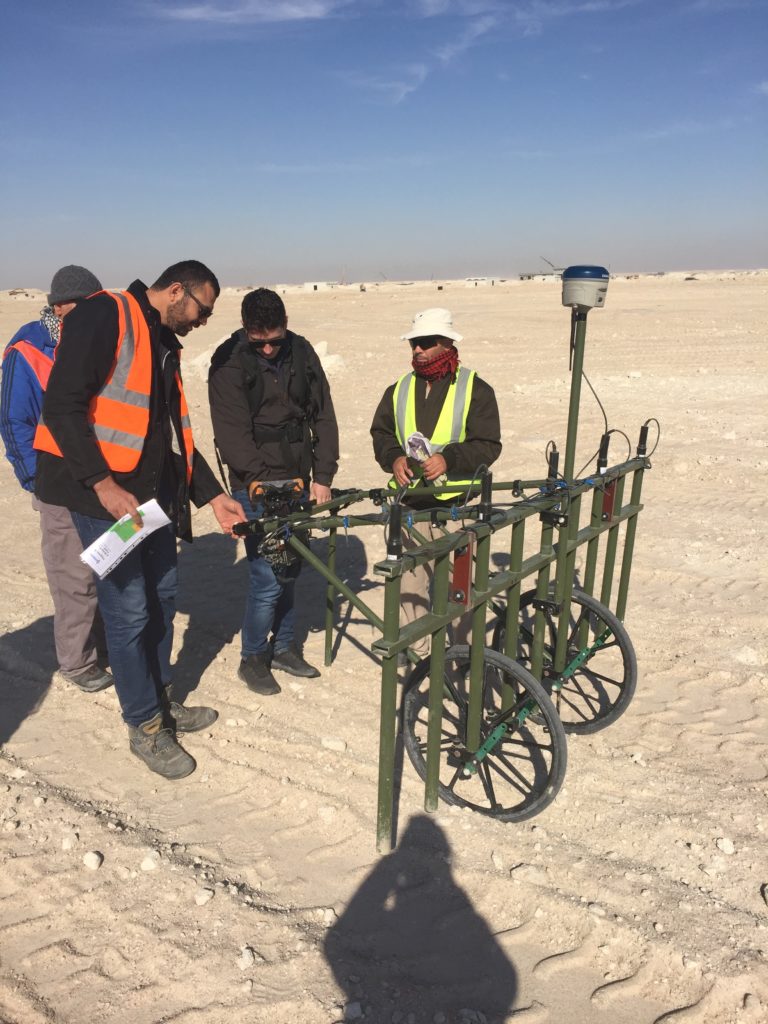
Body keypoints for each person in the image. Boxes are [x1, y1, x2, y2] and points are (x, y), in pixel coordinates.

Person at [34, 260, 246, 780]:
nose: (203, 321)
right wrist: (103, 485)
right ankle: (145, 725)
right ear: (177, 290)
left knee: (163, 598)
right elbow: (62, 409)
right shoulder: (104, 314)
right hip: (97, 496)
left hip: (146, 501)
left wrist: (213, 497)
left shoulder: (163, 342)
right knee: (128, 608)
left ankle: (160, 698)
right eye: (202, 309)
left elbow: (168, 438)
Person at [208, 288, 339, 696]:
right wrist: (264, 485)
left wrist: (323, 476)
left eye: (274, 340)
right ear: (246, 331)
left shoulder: (301, 354)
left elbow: (324, 414)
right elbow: (231, 436)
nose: (266, 349)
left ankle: (283, 647)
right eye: (257, 340)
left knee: (292, 568)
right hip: (256, 485)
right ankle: (252, 657)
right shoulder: (229, 361)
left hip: (300, 479)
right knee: (267, 574)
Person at [1, 265, 113, 693]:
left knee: (108, 564)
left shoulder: (96, 342)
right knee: (73, 578)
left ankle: (106, 643)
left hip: (101, 478)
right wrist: (37, 480)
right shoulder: (30, 349)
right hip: (57, 482)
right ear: (61, 307)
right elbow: (14, 420)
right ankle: (77, 661)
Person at [370, 307, 501, 659]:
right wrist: (394, 458)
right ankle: (420, 660)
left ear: (447, 343)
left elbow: (489, 444)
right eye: (414, 343)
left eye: (425, 343)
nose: (417, 350)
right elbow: (381, 433)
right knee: (409, 590)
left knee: (463, 591)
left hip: (457, 508)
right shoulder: (397, 389)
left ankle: (464, 660)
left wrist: (451, 459)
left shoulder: (475, 388)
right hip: (411, 508)